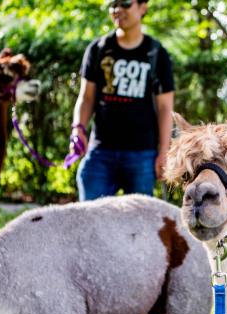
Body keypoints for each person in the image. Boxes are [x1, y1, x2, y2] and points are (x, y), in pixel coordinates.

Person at [68, 0, 174, 202]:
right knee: (90, 221)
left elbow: (165, 107)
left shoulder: (156, 53)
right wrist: (78, 129)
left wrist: (164, 153)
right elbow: (87, 97)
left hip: (142, 154)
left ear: (143, 7)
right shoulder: (98, 49)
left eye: (126, 3)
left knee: (138, 226)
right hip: (100, 151)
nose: (118, 9)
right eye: (113, 4)